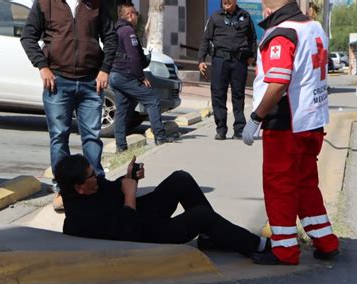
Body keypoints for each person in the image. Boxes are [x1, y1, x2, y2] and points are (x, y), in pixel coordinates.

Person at [242, 0, 340, 265]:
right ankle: (326, 241)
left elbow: (278, 83)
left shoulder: (282, 33)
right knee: (306, 183)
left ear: (268, 9)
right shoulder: (314, 27)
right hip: (312, 121)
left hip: (287, 124)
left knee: (280, 186)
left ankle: (284, 249)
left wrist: (255, 118)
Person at [54, 154, 270, 258]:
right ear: (79, 187)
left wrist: (130, 177)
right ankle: (258, 246)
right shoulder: (80, 220)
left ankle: (210, 237)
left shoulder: (92, 186)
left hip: (141, 215)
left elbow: (114, 189)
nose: (97, 177)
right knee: (200, 216)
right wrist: (130, 194)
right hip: (145, 235)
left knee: (180, 179)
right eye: (92, 175)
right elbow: (128, 234)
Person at [20, 0, 117, 210]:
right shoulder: (45, 3)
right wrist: (42, 66)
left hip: (91, 81)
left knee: (92, 136)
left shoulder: (97, 4)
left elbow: (110, 37)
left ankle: (95, 184)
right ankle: (63, 189)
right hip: (57, 81)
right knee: (58, 136)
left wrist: (105, 69)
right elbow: (28, 37)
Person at [110, 3, 173, 152]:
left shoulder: (117, 30)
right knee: (152, 100)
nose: (137, 16)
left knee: (122, 110)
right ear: (130, 15)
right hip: (126, 76)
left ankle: (121, 146)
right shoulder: (128, 32)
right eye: (136, 13)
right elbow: (133, 58)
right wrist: (140, 77)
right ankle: (160, 137)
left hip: (116, 75)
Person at [198, 0, 257, 141]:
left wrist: (253, 57)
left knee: (238, 95)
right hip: (220, 60)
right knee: (218, 94)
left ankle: (239, 129)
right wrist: (201, 60)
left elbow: (252, 38)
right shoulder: (215, 17)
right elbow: (206, 39)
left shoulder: (245, 16)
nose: (226, 1)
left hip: (239, 61)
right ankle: (221, 129)